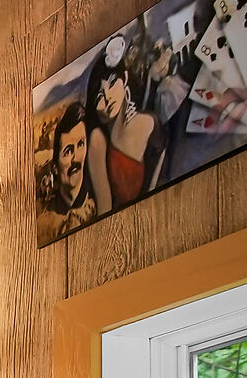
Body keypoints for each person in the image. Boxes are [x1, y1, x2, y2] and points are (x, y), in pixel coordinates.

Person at [86, 33, 165, 213]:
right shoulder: (98, 141)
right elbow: (104, 211)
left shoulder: (150, 124)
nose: (107, 97)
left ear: (125, 79)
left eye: (113, 82)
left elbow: (154, 188)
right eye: (99, 96)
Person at [45, 102, 98, 238]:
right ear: (55, 167)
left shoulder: (98, 204)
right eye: (68, 151)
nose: (76, 158)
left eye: (81, 144)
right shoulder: (45, 224)